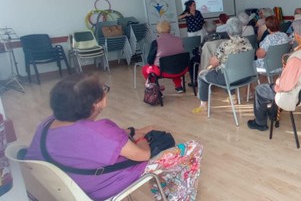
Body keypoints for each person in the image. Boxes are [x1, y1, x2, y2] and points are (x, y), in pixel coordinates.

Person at [24, 74, 203, 201]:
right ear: (95, 103)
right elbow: (144, 156)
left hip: (66, 188)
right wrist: (143, 138)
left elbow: (92, 142)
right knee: (193, 148)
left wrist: (131, 132)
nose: (106, 92)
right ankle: (179, 197)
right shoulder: (100, 131)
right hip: (99, 187)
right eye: (104, 90)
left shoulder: (46, 125)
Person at [247, 20, 301, 131]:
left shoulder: (297, 58)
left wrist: (277, 83)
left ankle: (260, 123)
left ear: (297, 35)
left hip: (297, 96)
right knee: (275, 86)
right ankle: (272, 113)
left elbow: (284, 87)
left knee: (260, 89)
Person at [192, 17, 253, 114]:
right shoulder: (247, 42)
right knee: (228, 69)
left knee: (202, 75)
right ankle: (232, 97)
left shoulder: (225, 45)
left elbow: (213, 63)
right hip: (246, 76)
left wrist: (212, 60)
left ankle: (203, 105)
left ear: (228, 31)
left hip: (230, 78)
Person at [143, 21, 186, 93]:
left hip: (163, 71)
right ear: (169, 29)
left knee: (145, 69)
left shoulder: (156, 42)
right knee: (175, 61)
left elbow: (150, 60)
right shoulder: (179, 39)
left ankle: (156, 89)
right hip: (181, 68)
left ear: (158, 30)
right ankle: (179, 86)